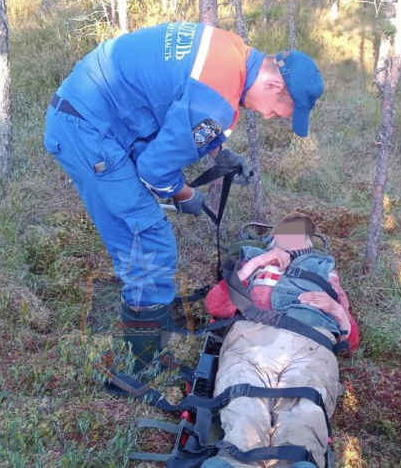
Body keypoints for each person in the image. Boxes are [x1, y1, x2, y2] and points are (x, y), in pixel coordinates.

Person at [43, 23, 324, 371]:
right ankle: (143, 361)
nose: (268, 117)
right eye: (276, 111)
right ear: (273, 84)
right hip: (88, 129)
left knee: (143, 236)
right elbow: (154, 171)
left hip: (97, 112)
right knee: (148, 241)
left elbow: (185, 108)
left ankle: (153, 324)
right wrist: (185, 194)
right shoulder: (216, 98)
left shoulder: (234, 52)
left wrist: (220, 153)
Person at [202, 212, 360, 468]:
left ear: (309, 244)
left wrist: (337, 310)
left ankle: (298, 461)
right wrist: (257, 263)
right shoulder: (252, 261)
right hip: (251, 340)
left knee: (305, 408)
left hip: (309, 343)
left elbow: (351, 342)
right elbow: (216, 306)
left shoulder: (324, 270)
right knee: (244, 402)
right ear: (272, 238)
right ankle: (237, 461)